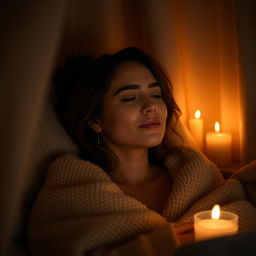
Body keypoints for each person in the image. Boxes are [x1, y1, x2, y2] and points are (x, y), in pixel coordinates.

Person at [28, 47, 256, 256]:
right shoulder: (71, 195)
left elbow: (244, 217)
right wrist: (159, 244)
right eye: (130, 98)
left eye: (156, 95)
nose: (151, 106)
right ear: (94, 120)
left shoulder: (196, 172)